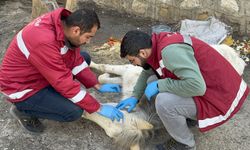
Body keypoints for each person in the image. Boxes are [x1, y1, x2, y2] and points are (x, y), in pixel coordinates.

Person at [116, 30, 249, 150]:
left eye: (132, 60)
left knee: (163, 101)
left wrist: (160, 85)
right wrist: (135, 96)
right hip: (213, 86)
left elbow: (197, 86)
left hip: (221, 97)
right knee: (152, 81)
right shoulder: (156, 44)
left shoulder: (169, 52)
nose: (133, 64)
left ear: (142, 53)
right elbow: (147, 72)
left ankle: (186, 144)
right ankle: (187, 117)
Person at [0, 8, 124, 133]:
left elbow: (75, 58)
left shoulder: (64, 26)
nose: (88, 41)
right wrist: (98, 107)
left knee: (84, 58)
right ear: (76, 30)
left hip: (40, 74)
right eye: (88, 37)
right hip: (22, 87)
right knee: (74, 111)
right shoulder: (44, 41)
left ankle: (51, 96)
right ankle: (22, 110)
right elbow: (63, 83)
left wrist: (96, 84)